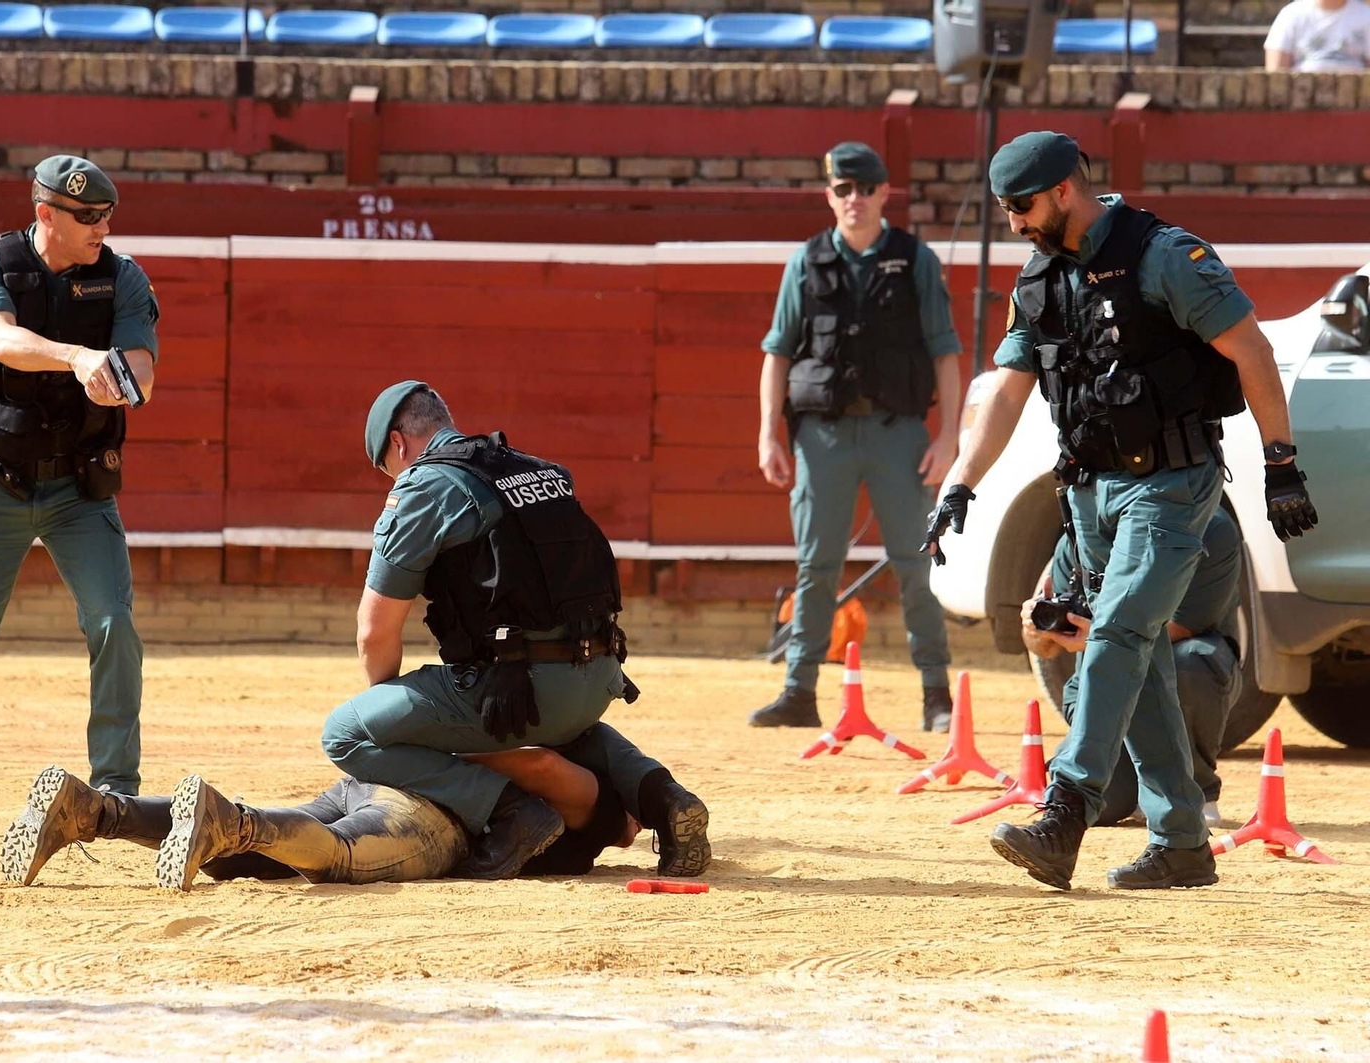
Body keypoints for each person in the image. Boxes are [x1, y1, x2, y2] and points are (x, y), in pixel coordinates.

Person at [923, 131, 1317, 891]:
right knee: (1140, 658)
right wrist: (961, 482)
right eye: (1005, 209)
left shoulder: (1164, 255)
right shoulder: (1040, 278)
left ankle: (1066, 806)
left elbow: (1252, 350)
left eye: (1022, 206)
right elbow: (1008, 390)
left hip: (1170, 486)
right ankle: (1182, 843)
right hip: (1089, 493)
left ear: (1064, 190)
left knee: (1119, 630)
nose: (1014, 223)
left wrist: (1281, 465)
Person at [316, 381, 709, 881]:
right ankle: (666, 799)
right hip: (598, 678)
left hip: (515, 689)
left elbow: (374, 632)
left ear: (398, 443)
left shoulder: (423, 485)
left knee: (346, 735)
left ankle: (511, 810)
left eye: (387, 467)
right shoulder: (541, 470)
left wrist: (391, 719)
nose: (392, 477)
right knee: (568, 731)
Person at [0, 156, 160, 840]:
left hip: (79, 487)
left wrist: (124, 379)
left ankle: (116, 795)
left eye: (107, 215)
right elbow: (1, 339)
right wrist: (77, 357)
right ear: (47, 214)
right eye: (88, 216)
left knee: (114, 623)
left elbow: (142, 367)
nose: (102, 227)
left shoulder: (123, 277)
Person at [749, 141, 962, 734]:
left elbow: (945, 351)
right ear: (830, 195)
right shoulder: (807, 261)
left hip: (899, 434)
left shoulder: (915, 260)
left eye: (866, 188)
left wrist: (948, 437)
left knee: (917, 562)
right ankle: (799, 692)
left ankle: (936, 694)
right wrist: (768, 433)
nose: (855, 199)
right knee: (816, 565)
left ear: (884, 192)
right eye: (843, 189)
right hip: (824, 436)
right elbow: (777, 352)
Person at [0, 738, 654, 890]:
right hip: (433, 814)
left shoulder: (499, 702)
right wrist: (628, 824)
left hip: (369, 779)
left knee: (253, 858)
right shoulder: (584, 780)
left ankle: (94, 811)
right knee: (334, 856)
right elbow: (615, 823)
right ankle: (232, 822)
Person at [1024, 507, 1244, 829]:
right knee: (1098, 806)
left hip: (1180, 672)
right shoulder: (1082, 525)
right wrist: (1035, 630)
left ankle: (1194, 793)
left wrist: (1101, 638)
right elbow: (1045, 647)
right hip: (1104, 685)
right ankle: (1124, 785)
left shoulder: (1209, 523)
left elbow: (1184, 626)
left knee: (1192, 661)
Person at [1264, 0, 1370, 72]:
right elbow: (1275, 73)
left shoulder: (1366, 15)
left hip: (1355, 97)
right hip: (1300, 94)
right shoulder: (1290, 14)